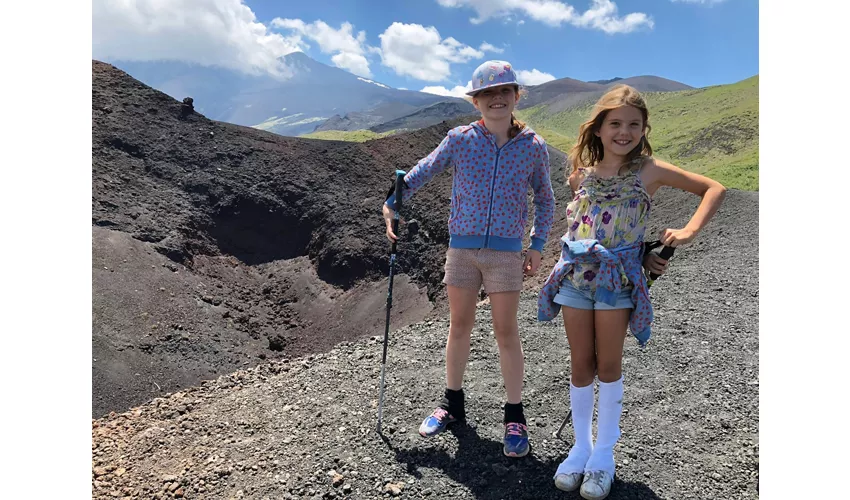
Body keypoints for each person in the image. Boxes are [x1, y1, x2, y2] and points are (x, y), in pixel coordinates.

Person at [536, 84, 727, 499]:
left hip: (617, 283)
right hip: (574, 279)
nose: (624, 131)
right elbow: (592, 226)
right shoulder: (579, 175)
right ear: (599, 128)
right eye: (615, 123)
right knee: (580, 362)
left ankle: (604, 454)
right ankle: (581, 448)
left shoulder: (650, 170)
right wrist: (640, 249)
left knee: (609, 363)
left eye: (633, 125)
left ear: (644, 130)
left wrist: (687, 231)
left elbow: (714, 188)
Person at [382, 60, 555, 457]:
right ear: (476, 101)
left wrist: (538, 244)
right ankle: (452, 405)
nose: (497, 99)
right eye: (487, 93)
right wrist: (392, 202)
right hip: (462, 249)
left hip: (507, 254)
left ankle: (515, 416)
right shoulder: (459, 138)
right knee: (458, 325)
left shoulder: (533, 146)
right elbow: (423, 171)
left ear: (516, 97)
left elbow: (545, 198)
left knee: (506, 333)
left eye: (505, 91)